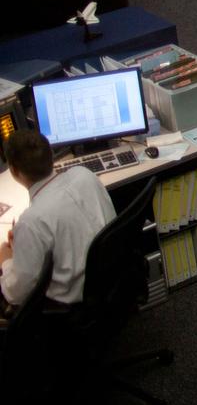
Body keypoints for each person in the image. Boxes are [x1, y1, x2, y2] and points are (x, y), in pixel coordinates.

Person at [0, 130, 116, 313]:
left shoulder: (32, 221)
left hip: (71, 307)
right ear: (51, 155)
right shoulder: (84, 174)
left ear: (14, 170)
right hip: (112, 278)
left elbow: (17, 294)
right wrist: (24, 242)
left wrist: (6, 260)